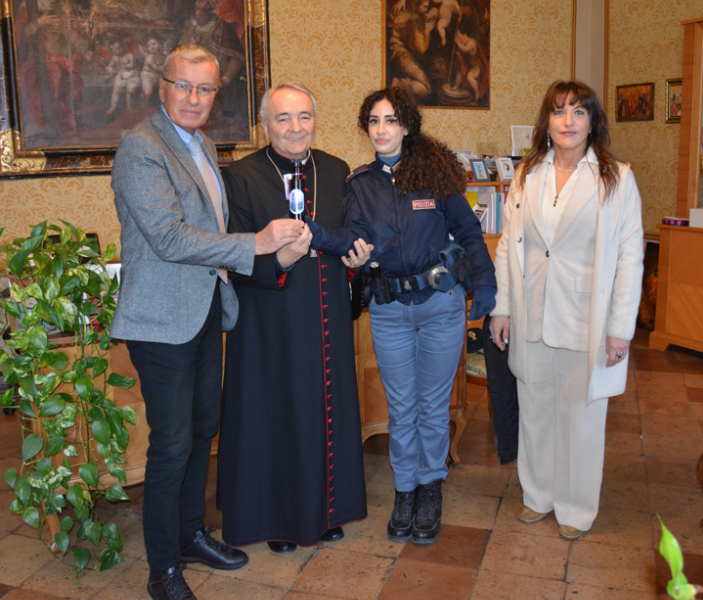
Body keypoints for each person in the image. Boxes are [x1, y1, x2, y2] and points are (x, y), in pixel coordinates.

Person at [111, 45, 305, 600]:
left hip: (203, 312)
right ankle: (163, 570)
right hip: (160, 322)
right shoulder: (141, 148)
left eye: (205, 88)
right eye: (184, 85)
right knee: (171, 445)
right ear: (162, 87)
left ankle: (191, 533)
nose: (194, 98)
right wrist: (256, 243)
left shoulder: (203, 144)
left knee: (201, 431)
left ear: (215, 95)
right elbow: (168, 237)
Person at [307, 87, 496, 545]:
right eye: (374, 121)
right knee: (402, 406)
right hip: (389, 310)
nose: (382, 129)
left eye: (390, 120)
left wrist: (487, 286)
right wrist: (321, 237)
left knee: (432, 404)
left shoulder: (436, 177)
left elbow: (470, 233)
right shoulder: (359, 184)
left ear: (407, 125)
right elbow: (351, 238)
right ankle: (405, 489)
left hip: (440, 307)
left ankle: (430, 487)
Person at [216, 82, 370, 553]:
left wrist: (356, 260)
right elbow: (230, 252)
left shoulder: (336, 169)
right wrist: (278, 262)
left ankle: (327, 512)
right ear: (265, 125)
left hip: (326, 320)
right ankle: (277, 521)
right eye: (283, 118)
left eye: (304, 116)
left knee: (325, 414)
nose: (296, 127)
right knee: (274, 417)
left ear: (315, 121)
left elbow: (349, 235)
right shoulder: (240, 176)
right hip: (267, 322)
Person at [489, 80, 644, 541]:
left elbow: (630, 258)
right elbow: (509, 246)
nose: (568, 121)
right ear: (547, 122)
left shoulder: (617, 177)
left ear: (592, 121)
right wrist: (501, 307)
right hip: (531, 312)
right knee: (535, 411)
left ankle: (576, 507)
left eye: (579, 111)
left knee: (581, 417)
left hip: (585, 318)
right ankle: (538, 495)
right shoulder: (527, 174)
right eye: (559, 111)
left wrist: (620, 329)